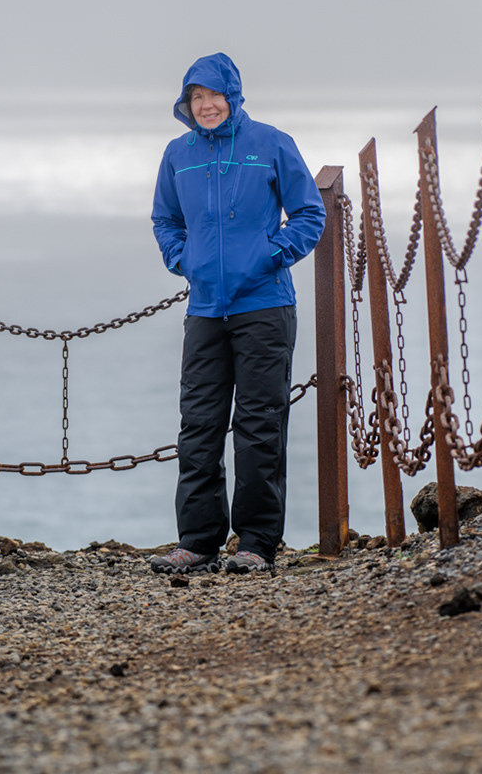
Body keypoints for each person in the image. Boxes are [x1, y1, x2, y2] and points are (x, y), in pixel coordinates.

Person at [149, 52, 326, 575]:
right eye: (195, 98)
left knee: (259, 426)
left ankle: (255, 544)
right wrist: (184, 260)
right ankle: (199, 541)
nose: (205, 105)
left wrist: (271, 256)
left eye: (212, 95)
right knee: (198, 426)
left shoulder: (271, 143)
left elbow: (309, 213)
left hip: (265, 306)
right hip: (205, 309)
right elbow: (165, 219)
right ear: (187, 105)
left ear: (232, 95)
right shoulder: (177, 154)